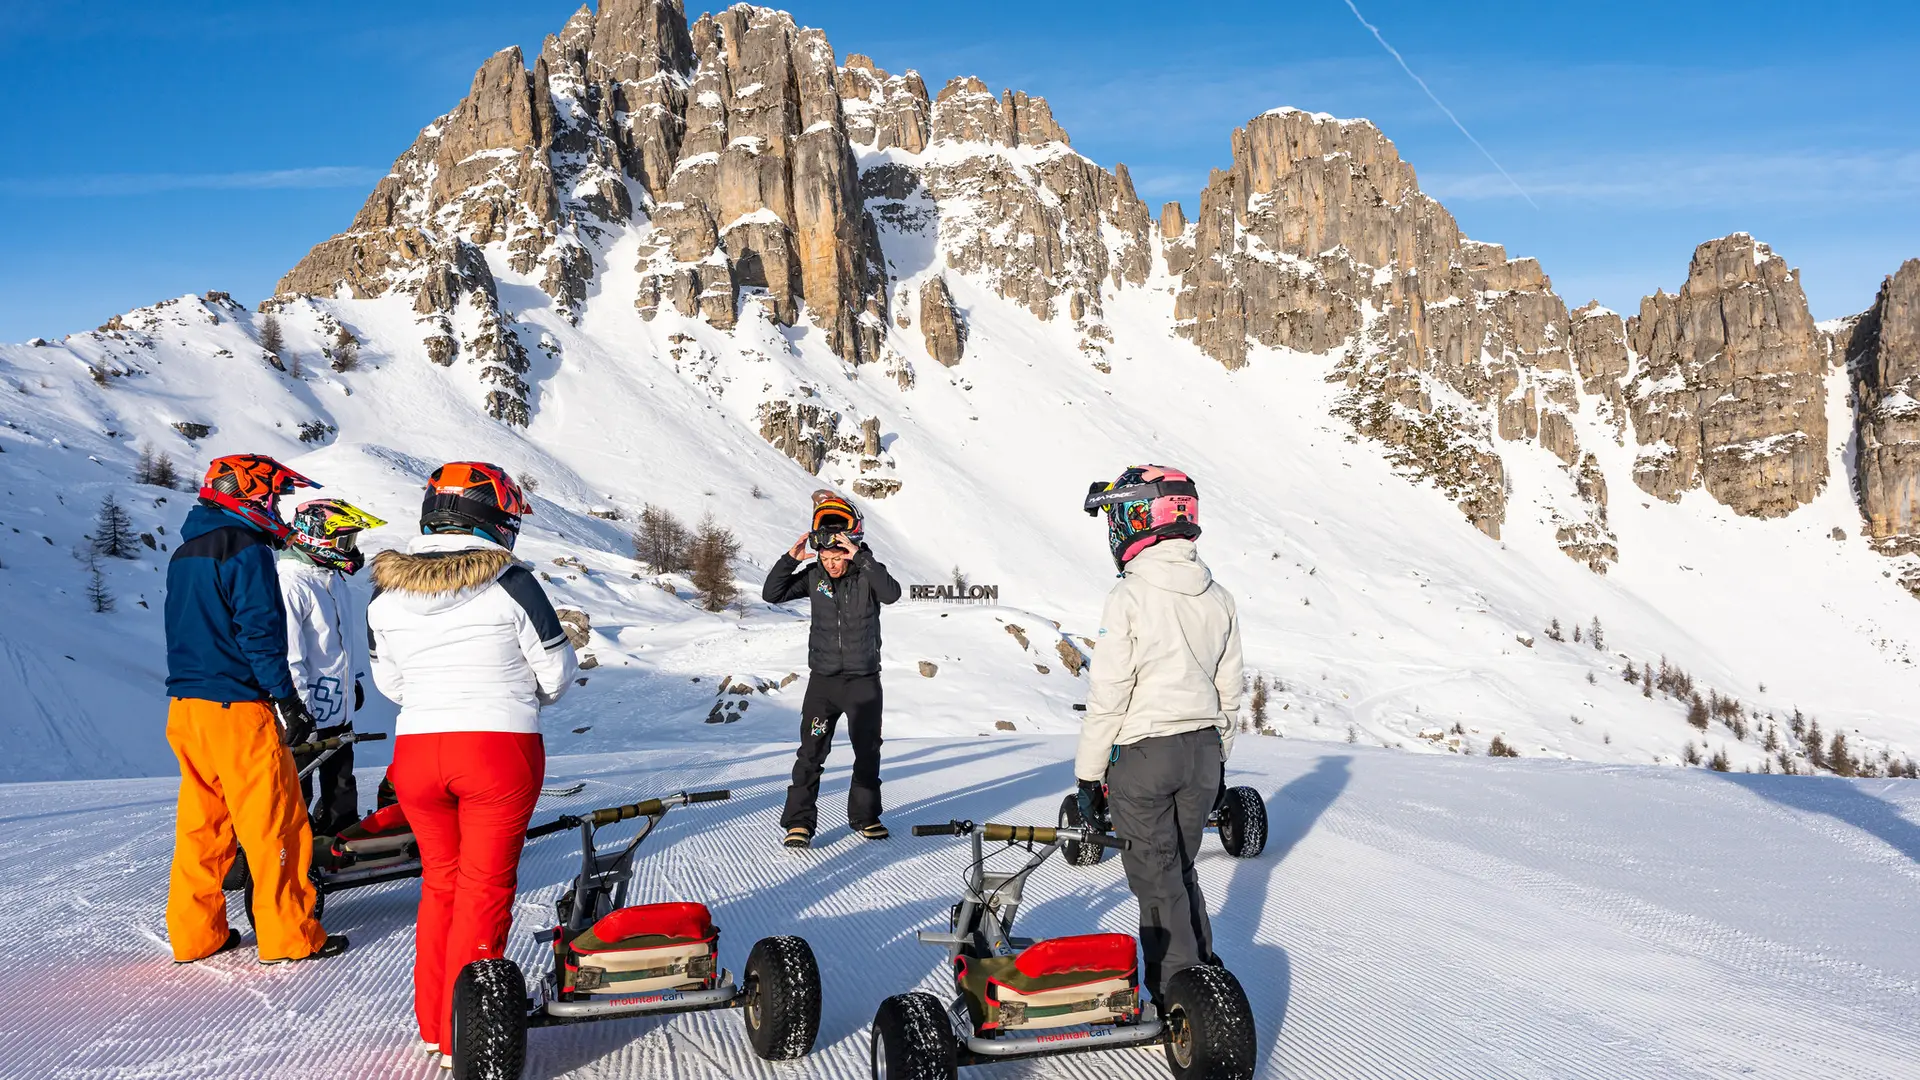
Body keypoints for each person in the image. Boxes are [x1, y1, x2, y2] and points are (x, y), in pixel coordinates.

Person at [368, 461, 577, 1063]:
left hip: (416, 752)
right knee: (485, 888)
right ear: (495, 518)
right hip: (496, 747)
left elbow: (390, 684)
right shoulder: (512, 583)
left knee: (440, 883)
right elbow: (556, 673)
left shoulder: (385, 592)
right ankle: (468, 1030)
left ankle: (434, 1024)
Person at [163, 453, 346, 965]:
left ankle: (196, 935)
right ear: (250, 495)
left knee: (203, 826)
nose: (277, 509)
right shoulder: (245, 548)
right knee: (275, 823)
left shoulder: (186, 552)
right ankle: (290, 936)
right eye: (273, 498)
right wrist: (286, 700)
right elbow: (259, 633)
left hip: (187, 708)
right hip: (238, 708)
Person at [1074, 465, 1242, 1002]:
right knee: (1180, 870)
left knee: (1157, 879)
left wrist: (1088, 773)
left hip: (1145, 753)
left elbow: (1110, 693)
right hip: (1202, 752)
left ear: (1139, 518)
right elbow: (1230, 689)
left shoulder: (1129, 595)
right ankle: (1204, 976)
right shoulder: (1219, 596)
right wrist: (1219, 757)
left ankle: (1181, 997)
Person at [761, 490, 901, 848]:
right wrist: (790, 559)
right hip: (823, 684)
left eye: (837, 556)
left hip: (863, 683)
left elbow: (892, 594)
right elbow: (772, 594)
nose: (831, 563)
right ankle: (799, 823)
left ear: (851, 549)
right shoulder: (814, 576)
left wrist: (863, 558)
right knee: (810, 754)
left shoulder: (868, 575)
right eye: (825, 556)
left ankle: (866, 817)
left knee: (867, 752)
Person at [279, 498, 387, 835]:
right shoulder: (291, 583)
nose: (350, 548)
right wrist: (295, 707)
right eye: (345, 540)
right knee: (298, 781)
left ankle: (341, 829)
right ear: (316, 537)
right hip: (304, 708)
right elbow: (289, 653)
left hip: (335, 703)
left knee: (340, 775)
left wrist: (350, 681)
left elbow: (336, 642)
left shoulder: (332, 578)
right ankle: (293, 841)